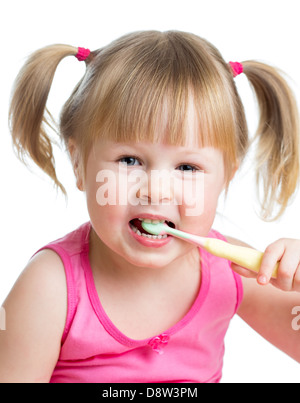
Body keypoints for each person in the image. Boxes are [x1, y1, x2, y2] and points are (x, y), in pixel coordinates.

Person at [1, 31, 299, 383]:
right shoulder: (50, 288)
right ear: (79, 163)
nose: (156, 190)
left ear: (226, 178)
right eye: (129, 160)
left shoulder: (232, 269)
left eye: (187, 168)